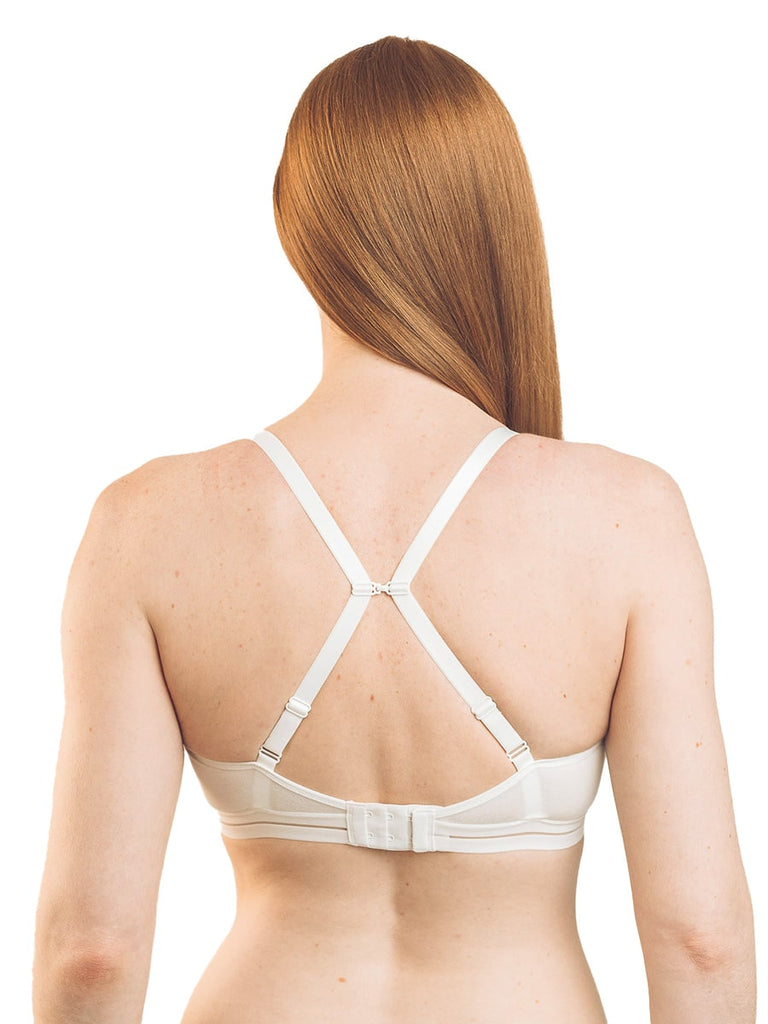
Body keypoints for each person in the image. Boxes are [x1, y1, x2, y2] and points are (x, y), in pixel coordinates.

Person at [33, 35, 755, 1023]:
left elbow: (91, 953)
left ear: (296, 230)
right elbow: (703, 942)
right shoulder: (627, 518)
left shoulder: (147, 526)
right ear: (497, 225)